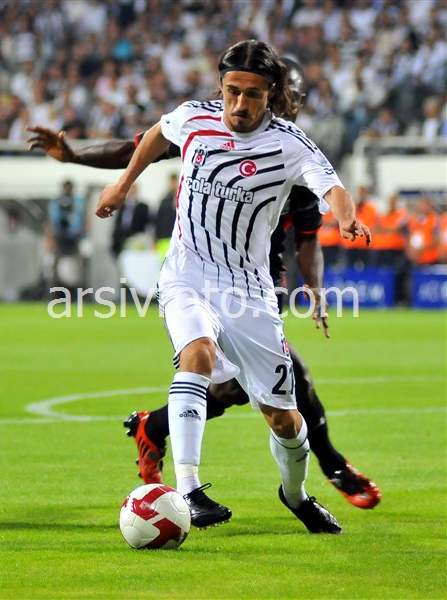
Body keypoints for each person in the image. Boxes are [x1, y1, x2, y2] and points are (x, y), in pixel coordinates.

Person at [27, 54, 380, 525]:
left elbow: (313, 228)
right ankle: (193, 491)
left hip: (255, 284)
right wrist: (95, 169)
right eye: (233, 91)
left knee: (268, 404)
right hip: (189, 272)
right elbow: (142, 143)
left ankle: (280, 486)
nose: (241, 103)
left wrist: (329, 255)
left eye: (258, 93)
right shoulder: (197, 120)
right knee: (204, 357)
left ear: (276, 95)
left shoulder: (293, 150)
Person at [110, 182, 149, 257]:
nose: (131, 191)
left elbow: (144, 223)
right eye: (130, 189)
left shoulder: (143, 207)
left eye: (133, 189)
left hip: (135, 237)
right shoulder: (122, 205)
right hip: (121, 237)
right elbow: (118, 222)